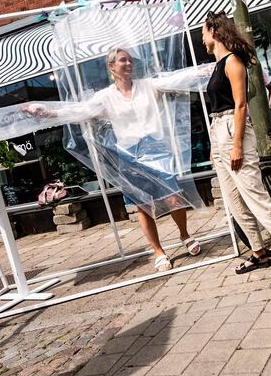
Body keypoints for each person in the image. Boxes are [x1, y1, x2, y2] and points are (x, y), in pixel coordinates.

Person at [27, 48, 202, 272]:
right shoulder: (106, 97)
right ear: (112, 67)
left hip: (156, 148)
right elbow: (79, 110)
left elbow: (174, 80)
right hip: (128, 155)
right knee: (143, 205)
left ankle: (185, 235)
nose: (128, 63)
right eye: (122, 60)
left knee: (173, 197)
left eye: (130, 60)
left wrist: (201, 73)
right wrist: (47, 112)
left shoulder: (147, 86)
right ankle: (158, 252)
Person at [202, 11, 271, 288]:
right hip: (218, 132)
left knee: (256, 198)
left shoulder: (233, 62)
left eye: (203, 31)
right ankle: (258, 252)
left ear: (215, 31)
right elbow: (216, 110)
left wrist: (235, 147)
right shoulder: (217, 64)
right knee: (234, 202)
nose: (201, 37)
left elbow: (240, 105)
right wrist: (214, 146)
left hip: (235, 132)